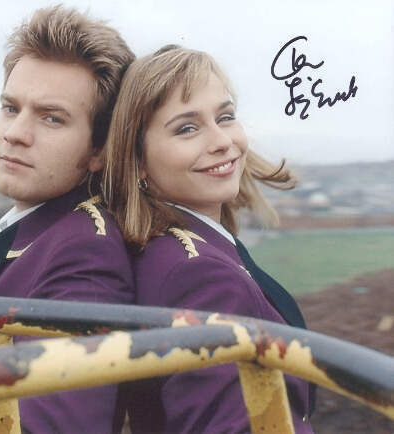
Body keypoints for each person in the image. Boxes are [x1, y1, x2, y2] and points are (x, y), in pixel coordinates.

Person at [0, 6, 135, 433]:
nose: (15, 133)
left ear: (99, 150)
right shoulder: (43, 234)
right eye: (11, 108)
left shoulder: (86, 254)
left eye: (51, 118)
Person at [102, 45, 314, 433]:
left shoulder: (166, 251)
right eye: (187, 128)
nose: (221, 141)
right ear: (138, 161)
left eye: (225, 117)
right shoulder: (201, 277)